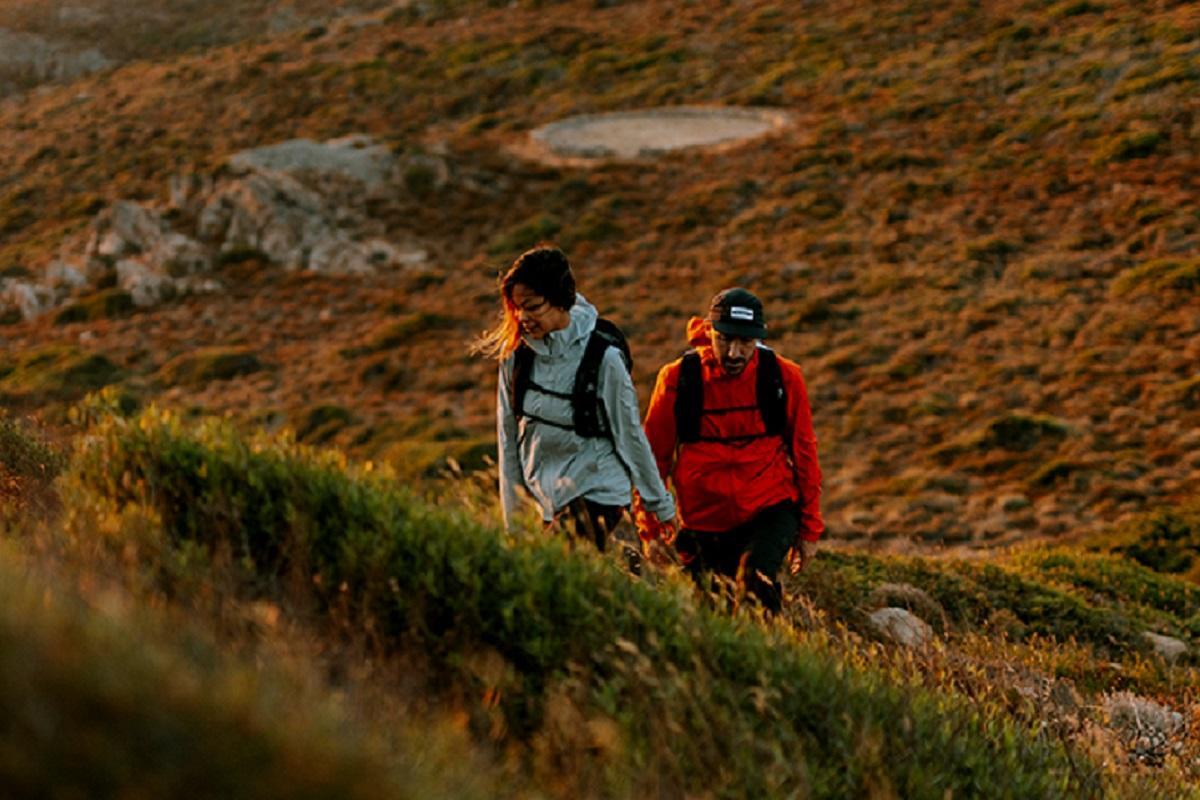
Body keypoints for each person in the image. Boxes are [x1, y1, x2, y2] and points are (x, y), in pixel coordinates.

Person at [475, 245, 677, 562]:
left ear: (560, 299)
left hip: (599, 488)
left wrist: (660, 504)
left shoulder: (604, 358)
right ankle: (615, 575)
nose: (522, 317)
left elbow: (630, 436)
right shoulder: (515, 357)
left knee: (552, 563)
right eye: (516, 308)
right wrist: (513, 520)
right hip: (547, 496)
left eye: (532, 307)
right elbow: (508, 437)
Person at [640, 287, 823, 613]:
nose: (734, 352)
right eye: (725, 339)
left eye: (745, 342)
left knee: (755, 585)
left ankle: (771, 655)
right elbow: (654, 457)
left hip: (770, 508)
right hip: (704, 519)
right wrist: (650, 529)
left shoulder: (784, 377)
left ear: (759, 339)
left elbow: (805, 453)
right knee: (711, 611)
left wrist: (809, 531)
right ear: (709, 331)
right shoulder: (677, 379)